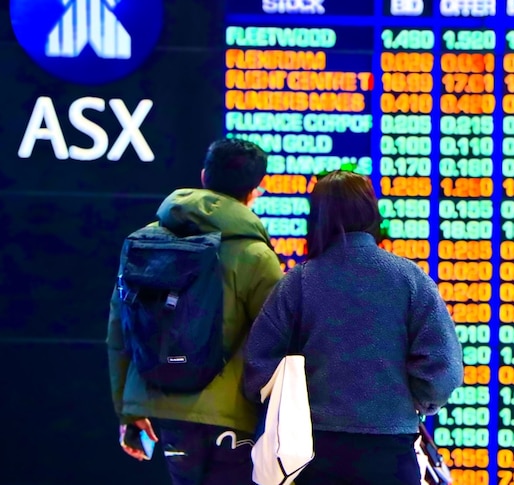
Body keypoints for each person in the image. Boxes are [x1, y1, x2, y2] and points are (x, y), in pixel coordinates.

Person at [243, 170, 463, 485]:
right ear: (371, 211)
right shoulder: (410, 279)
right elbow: (444, 371)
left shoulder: (299, 282)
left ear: (318, 217)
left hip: (313, 454)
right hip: (392, 451)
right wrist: (410, 403)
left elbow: (258, 365)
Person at [106, 139, 284, 485]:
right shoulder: (256, 257)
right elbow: (280, 341)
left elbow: (120, 332)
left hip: (166, 410)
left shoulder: (143, 242)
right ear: (254, 192)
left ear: (204, 177)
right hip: (233, 417)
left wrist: (128, 410)